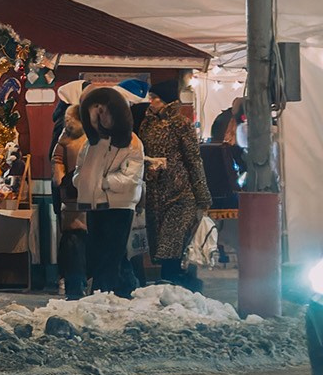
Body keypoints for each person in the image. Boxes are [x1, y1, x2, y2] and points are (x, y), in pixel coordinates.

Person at [70, 85, 146, 298]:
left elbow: (130, 178)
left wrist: (101, 182)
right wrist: (82, 182)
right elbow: (80, 171)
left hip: (120, 205)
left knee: (111, 252)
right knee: (101, 251)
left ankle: (104, 292)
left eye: (104, 112)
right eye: (95, 112)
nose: (100, 118)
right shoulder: (91, 144)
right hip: (94, 204)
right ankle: (125, 288)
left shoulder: (132, 143)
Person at [138, 77, 212, 290]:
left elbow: (193, 159)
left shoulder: (181, 124)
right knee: (159, 239)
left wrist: (202, 196)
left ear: (167, 101)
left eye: (155, 99)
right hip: (155, 191)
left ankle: (172, 282)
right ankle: (173, 281)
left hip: (180, 192)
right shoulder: (147, 124)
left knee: (172, 239)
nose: (151, 102)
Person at [51, 96, 90, 298]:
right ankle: (74, 286)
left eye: (70, 119)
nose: (67, 123)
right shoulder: (64, 139)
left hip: (91, 199)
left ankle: (86, 283)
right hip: (71, 199)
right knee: (72, 244)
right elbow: (57, 159)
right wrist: (61, 178)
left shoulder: (93, 137)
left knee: (86, 245)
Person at [203, 107, 244, 265]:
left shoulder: (223, 120)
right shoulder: (229, 148)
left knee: (217, 226)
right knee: (232, 229)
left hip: (214, 191)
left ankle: (220, 250)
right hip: (228, 193)